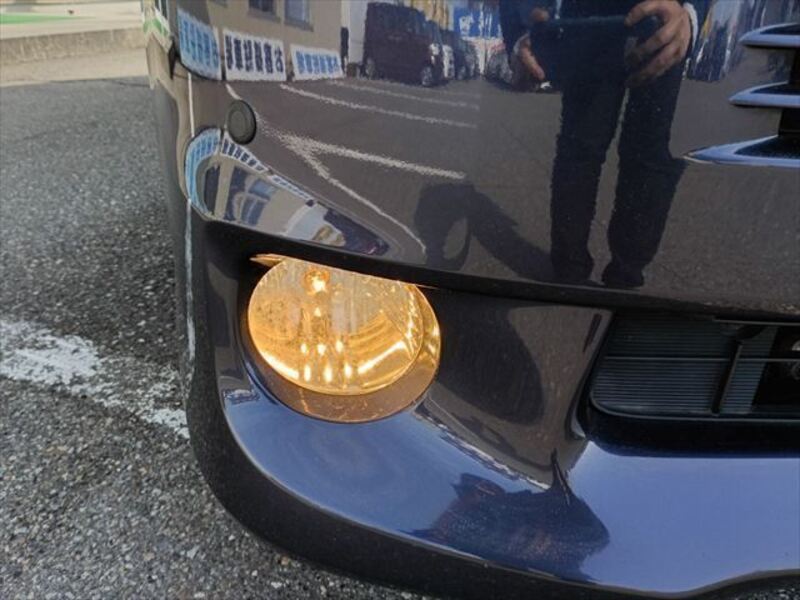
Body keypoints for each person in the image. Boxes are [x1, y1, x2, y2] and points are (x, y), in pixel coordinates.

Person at [500, 0, 706, 287]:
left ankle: (625, 273)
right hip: (591, 19)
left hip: (665, 20)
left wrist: (691, 14)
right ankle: (571, 270)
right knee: (582, 147)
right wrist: (523, 27)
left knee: (646, 150)